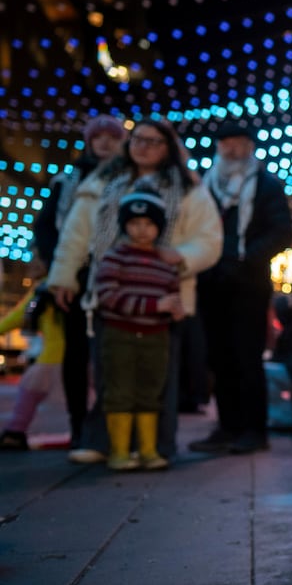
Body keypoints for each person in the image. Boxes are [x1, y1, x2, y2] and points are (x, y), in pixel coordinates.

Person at [46, 118, 223, 465]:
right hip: (111, 292)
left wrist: (181, 256)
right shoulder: (104, 180)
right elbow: (76, 232)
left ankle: (155, 446)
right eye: (139, 139)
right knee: (110, 370)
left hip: (164, 295)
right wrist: (63, 276)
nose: (145, 147)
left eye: (155, 141)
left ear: (168, 147)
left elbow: (209, 239)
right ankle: (103, 442)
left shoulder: (188, 187)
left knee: (158, 376)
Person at [191, 121, 292, 455]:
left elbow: (281, 232)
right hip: (210, 280)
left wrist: (246, 258)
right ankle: (227, 426)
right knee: (218, 357)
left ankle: (253, 429)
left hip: (248, 283)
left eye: (237, 142)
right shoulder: (205, 186)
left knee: (246, 356)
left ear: (249, 147)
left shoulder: (266, 185)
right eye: (225, 143)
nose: (230, 149)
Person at [36, 114, 127, 447]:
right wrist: (58, 271)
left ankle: (107, 423)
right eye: (98, 136)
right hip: (73, 274)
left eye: (111, 137)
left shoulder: (130, 177)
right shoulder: (66, 180)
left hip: (114, 272)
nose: (104, 142)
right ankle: (78, 425)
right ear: (88, 141)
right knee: (75, 352)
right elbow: (46, 227)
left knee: (112, 350)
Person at [90, 191, 184, 470]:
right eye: (134, 223)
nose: (142, 230)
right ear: (124, 225)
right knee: (119, 389)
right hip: (120, 334)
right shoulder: (116, 256)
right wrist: (155, 305)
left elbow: (173, 291)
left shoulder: (164, 261)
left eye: (148, 223)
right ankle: (119, 451)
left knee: (150, 390)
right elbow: (107, 295)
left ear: (159, 227)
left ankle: (148, 450)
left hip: (156, 337)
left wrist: (175, 308)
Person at [0, 293, 64, 450]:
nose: (32, 268)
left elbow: (19, 315)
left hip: (53, 355)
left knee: (29, 390)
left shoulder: (45, 289)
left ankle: (15, 432)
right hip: (79, 355)